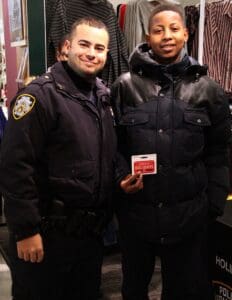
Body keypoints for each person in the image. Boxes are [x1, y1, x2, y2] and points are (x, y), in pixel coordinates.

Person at [111, 3, 231, 300]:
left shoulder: (209, 90)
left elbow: (219, 152)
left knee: (185, 292)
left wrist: (212, 205)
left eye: (174, 29)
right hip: (136, 218)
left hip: (189, 220)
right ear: (147, 36)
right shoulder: (123, 87)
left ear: (187, 34)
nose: (167, 35)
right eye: (158, 30)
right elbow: (113, 146)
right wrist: (121, 176)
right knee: (133, 290)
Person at [0, 17, 117, 300]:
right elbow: (15, 167)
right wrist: (26, 230)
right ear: (67, 47)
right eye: (84, 44)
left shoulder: (102, 96)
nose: (92, 53)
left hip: (89, 236)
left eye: (99, 48)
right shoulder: (39, 97)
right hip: (46, 234)